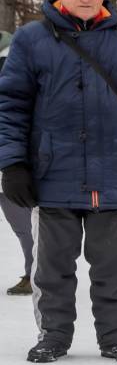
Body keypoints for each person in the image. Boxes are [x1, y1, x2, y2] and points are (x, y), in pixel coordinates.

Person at [0, 0, 117, 363]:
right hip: (53, 176)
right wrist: (13, 162)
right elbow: (11, 106)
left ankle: (115, 338)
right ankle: (53, 335)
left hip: (113, 177)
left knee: (113, 269)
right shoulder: (31, 41)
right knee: (52, 268)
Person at [0, 29, 33, 296]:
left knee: (25, 227)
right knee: (24, 227)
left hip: (13, 164)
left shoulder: (17, 64)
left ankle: (34, 274)